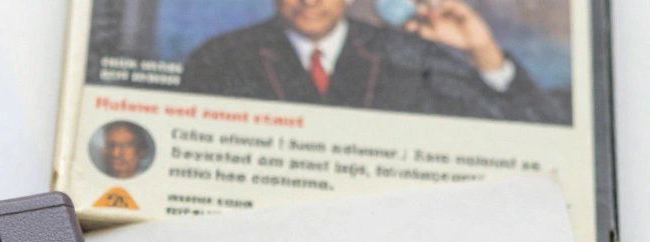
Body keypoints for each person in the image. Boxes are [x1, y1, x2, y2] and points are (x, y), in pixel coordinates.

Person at [180, 0, 566, 124]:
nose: (310, 1)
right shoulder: (220, 57)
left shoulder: (407, 53)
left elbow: (536, 134)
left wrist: (483, 52)